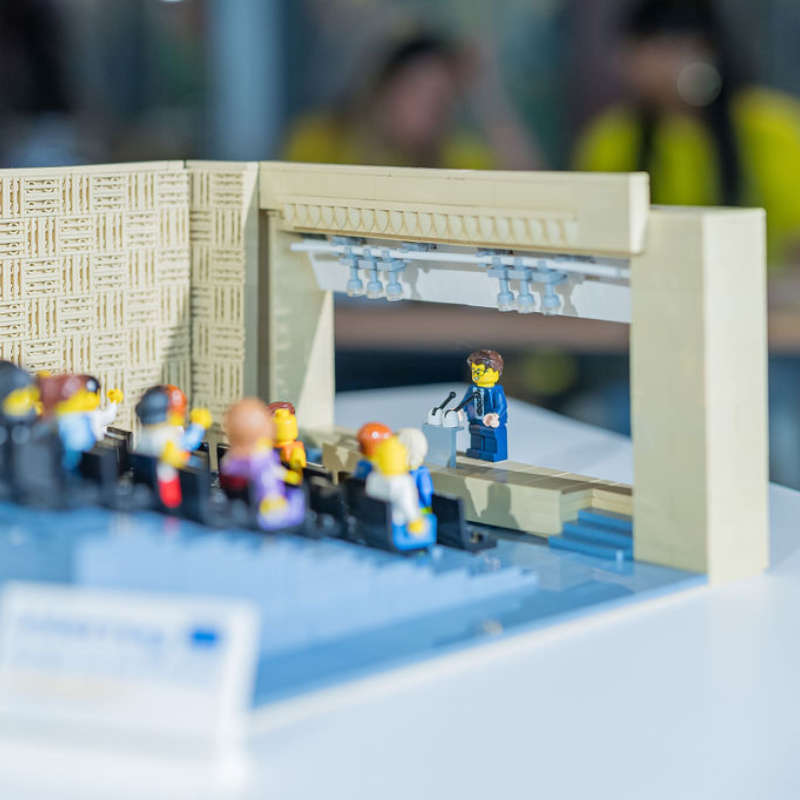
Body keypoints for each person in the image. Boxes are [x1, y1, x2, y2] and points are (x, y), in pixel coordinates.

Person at [573, 0, 800, 267]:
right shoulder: (612, 140)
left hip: (762, 286)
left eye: (678, 48)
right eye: (652, 50)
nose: (664, 65)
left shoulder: (771, 129)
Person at [285, 32, 539, 171]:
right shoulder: (322, 141)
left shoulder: (454, 157)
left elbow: (528, 188)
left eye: (444, 98)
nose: (431, 108)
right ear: (383, 91)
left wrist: (488, 95)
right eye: (418, 91)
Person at [460, 350, 508, 463]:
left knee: (492, 437)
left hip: (491, 422)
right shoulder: (472, 389)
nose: (476, 375)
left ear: (496, 372)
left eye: (480, 371)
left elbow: (502, 406)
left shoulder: (496, 391)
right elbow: (465, 402)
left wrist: (495, 415)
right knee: (476, 436)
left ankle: (493, 453)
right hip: (476, 422)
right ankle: (477, 451)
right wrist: (459, 410)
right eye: (474, 371)